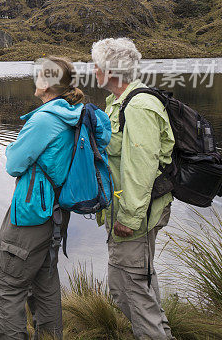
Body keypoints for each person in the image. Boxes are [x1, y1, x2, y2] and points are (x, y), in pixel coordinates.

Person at [0, 57, 88, 340]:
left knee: (8, 287)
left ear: (47, 84)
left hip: (31, 214)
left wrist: (14, 147)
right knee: (44, 283)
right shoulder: (73, 112)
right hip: (57, 214)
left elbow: (14, 164)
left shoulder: (45, 119)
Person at [92, 37, 174, 340]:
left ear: (110, 70)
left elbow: (140, 168)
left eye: (97, 64)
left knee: (130, 291)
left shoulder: (139, 106)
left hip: (134, 217)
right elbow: (118, 153)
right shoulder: (119, 103)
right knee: (134, 287)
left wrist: (128, 217)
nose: (93, 70)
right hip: (124, 211)